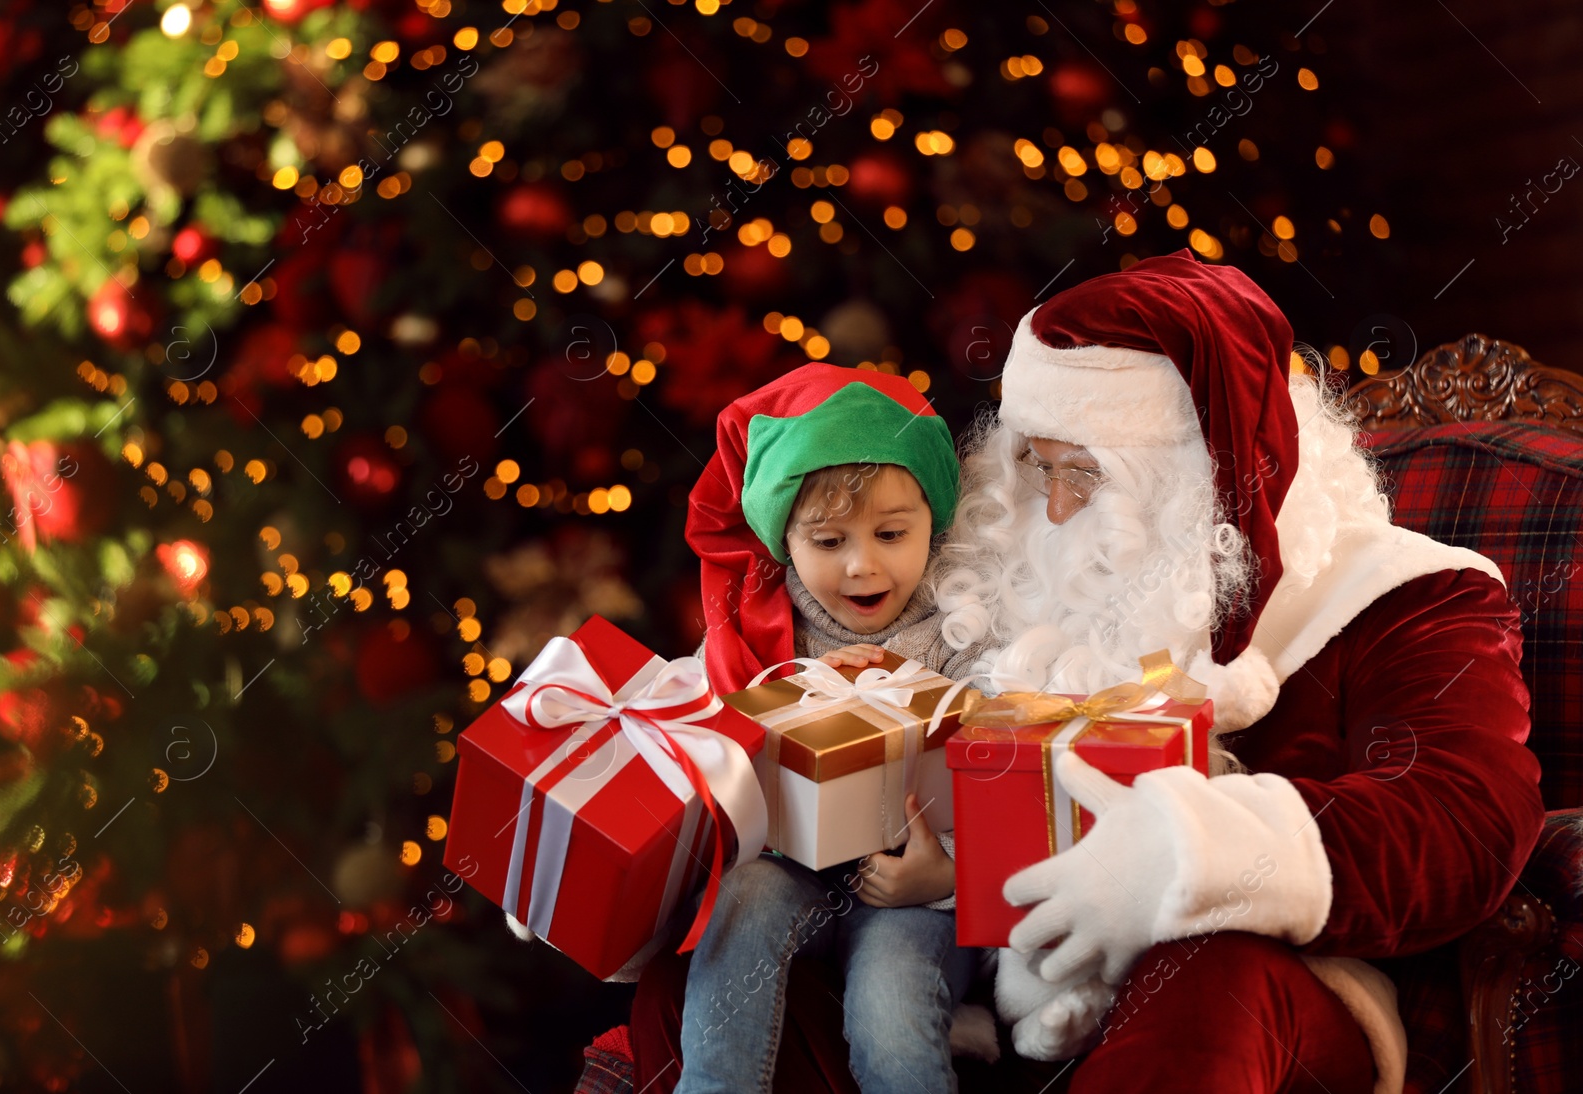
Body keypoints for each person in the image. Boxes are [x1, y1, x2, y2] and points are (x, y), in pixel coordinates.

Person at [927, 249, 1545, 1091]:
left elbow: (1462, 816)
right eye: (1036, 465)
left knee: (1209, 972)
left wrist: (1192, 854)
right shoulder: (994, 570)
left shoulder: (1405, 593)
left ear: (1208, 472)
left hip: (1266, 1000)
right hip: (981, 983)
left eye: (1089, 474)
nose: (1056, 509)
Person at [651, 363, 981, 1094]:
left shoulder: (969, 625)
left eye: (891, 533)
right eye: (828, 542)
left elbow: (1012, 787)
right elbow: (695, 742)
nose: (863, 566)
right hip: (792, 867)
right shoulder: (754, 631)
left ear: (934, 518)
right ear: (785, 540)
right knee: (742, 902)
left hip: (912, 885)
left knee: (890, 1014)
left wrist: (947, 876)